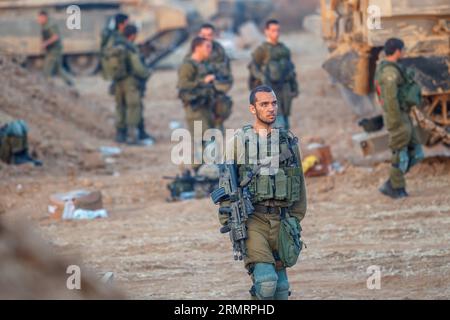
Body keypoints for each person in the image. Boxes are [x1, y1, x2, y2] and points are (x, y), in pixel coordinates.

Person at [216, 85, 307, 300]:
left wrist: (295, 220)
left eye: (273, 103)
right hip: (253, 219)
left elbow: (300, 184)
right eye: (264, 104)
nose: (270, 108)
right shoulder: (238, 141)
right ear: (252, 109)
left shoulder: (288, 142)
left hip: (282, 220)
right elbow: (226, 184)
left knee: (282, 289)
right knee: (266, 282)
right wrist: (228, 220)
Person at [374, 38, 424, 199]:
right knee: (400, 153)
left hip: (403, 115)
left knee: (416, 153)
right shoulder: (389, 73)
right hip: (397, 117)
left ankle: (392, 183)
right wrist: (396, 122)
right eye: (402, 49)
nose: (403, 52)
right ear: (397, 51)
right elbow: (390, 100)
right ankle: (395, 187)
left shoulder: (394, 69)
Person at [248, 19, 299, 130]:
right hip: (271, 90)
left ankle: (285, 145)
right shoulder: (261, 50)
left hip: (285, 89)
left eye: (278, 30)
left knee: (285, 121)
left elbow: (291, 70)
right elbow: (253, 68)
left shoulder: (284, 49)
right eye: (273, 30)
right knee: (278, 122)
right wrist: (261, 80)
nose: (276, 33)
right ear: (266, 31)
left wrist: (294, 87)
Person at [177, 37, 216, 171]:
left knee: (208, 140)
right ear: (197, 47)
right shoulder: (187, 65)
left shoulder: (203, 64)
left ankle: (207, 172)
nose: (210, 50)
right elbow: (183, 85)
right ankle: (200, 172)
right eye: (207, 46)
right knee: (202, 141)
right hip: (194, 109)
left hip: (205, 108)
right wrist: (202, 82)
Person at [112, 24, 153, 145]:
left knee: (120, 106)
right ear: (133, 35)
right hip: (130, 82)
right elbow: (138, 68)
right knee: (133, 107)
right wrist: (147, 73)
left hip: (118, 81)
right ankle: (133, 135)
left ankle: (120, 134)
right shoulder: (130, 48)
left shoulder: (116, 45)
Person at [198, 23, 233, 132]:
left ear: (213, 36)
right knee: (201, 127)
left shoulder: (219, 51)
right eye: (203, 35)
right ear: (199, 35)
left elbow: (226, 72)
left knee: (218, 126)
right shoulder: (194, 50)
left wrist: (216, 78)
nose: (206, 38)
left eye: (209, 35)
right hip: (201, 93)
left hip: (217, 92)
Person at [37, 11, 74, 86]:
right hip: (52, 50)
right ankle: (70, 83)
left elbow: (55, 37)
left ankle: (47, 85)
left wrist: (45, 43)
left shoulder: (50, 25)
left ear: (44, 17)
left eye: (40, 18)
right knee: (58, 69)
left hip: (54, 50)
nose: (38, 20)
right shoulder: (45, 25)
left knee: (47, 69)